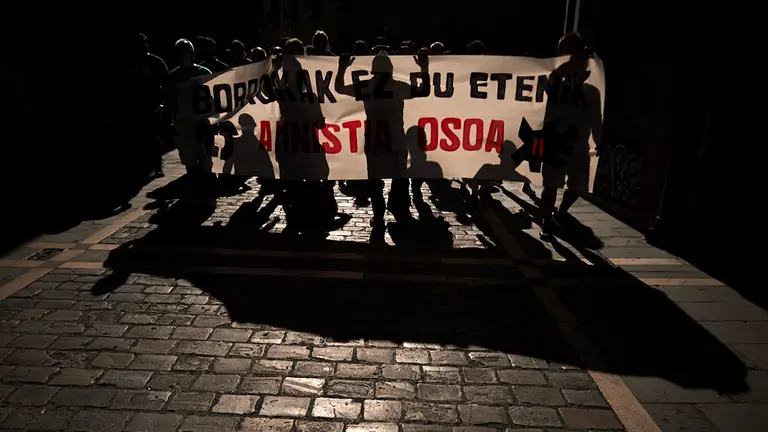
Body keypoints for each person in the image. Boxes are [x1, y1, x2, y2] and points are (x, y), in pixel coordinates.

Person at [539, 32, 603, 240]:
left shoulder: (591, 91)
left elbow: (596, 118)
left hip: (579, 144)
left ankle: (561, 212)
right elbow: (553, 79)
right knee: (551, 185)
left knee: (578, 186)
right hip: (555, 141)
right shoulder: (554, 82)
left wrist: (599, 141)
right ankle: (547, 220)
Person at [165, 39, 215, 206]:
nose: (187, 56)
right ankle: (195, 193)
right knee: (190, 160)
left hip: (203, 124)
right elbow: (169, 102)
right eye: (183, 53)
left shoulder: (204, 72)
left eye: (189, 52)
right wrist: (168, 124)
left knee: (206, 161)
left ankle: (208, 193)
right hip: (184, 124)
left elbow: (213, 99)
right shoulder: (172, 77)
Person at [123, 32, 168, 179]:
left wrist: (162, 103)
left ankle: (156, 166)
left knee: (153, 137)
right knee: (136, 137)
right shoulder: (128, 62)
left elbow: (167, 83)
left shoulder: (155, 61)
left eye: (144, 42)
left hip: (152, 105)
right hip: (134, 106)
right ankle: (139, 166)